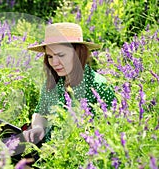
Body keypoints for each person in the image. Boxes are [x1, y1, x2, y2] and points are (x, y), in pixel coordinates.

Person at [22, 22, 116, 151]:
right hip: (50, 156)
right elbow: (41, 112)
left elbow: (110, 131)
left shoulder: (98, 85)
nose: (54, 63)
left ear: (78, 53)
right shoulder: (52, 83)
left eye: (61, 55)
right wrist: (38, 128)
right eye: (50, 56)